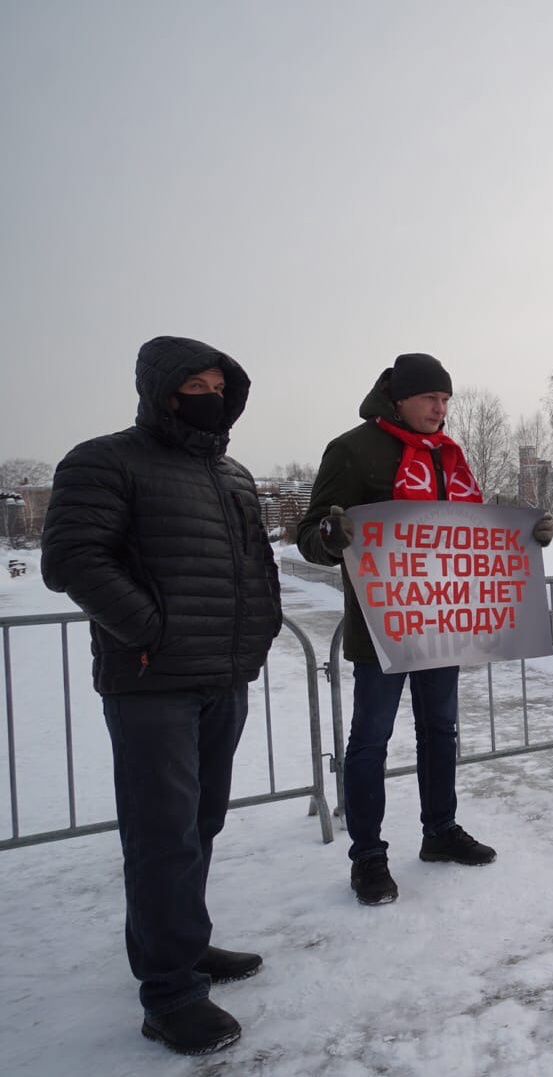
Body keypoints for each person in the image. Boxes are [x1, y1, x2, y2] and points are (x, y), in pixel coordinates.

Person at [41, 336, 282, 1055]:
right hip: (152, 683)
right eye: (198, 383)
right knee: (161, 835)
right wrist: (151, 627)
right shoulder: (104, 459)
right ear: (163, 387)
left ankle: (184, 943)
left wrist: (261, 630)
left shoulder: (233, 473)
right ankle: (170, 992)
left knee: (199, 823)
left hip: (224, 675)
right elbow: (72, 558)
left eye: (220, 383)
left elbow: (256, 562)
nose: (211, 393)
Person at [296, 354, 553, 905]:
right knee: (371, 740)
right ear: (400, 399)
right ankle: (367, 855)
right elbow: (310, 533)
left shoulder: (448, 455)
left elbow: (469, 529)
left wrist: (526, 535)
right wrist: (328, 533)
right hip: (383, 627)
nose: (441, 410)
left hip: (443, 623)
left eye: (446, 401)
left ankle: (440, 831)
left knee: (441, 731)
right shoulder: (353, 449)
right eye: (430, 399)